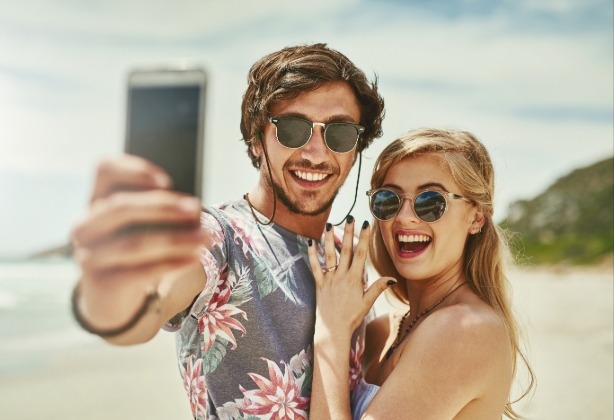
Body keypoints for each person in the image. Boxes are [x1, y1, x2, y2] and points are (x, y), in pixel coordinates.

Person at [70, 43, 385, 418]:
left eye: (340, 134)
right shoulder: (220, 235)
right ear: (256, 140)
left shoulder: (343, 255)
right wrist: (111, 289)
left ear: (356, 148)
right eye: (293, 129)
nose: (316, 153)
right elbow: (148, 306)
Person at [307, 127, 535, 419]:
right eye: (388, 200)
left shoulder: (464, 329)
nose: (404, 217)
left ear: (476, 217)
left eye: (430, 202)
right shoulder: (381, 332)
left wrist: (332, 333)